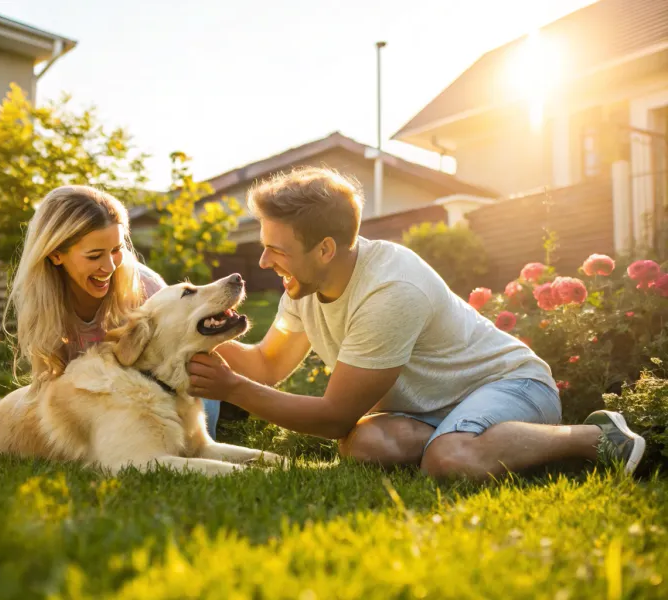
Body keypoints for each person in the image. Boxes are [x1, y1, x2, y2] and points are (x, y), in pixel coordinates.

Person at [187, 167, 645, 479]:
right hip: (429, 408)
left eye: (277, 250)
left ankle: (591, 437)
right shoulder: (302, 284)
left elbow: (334, 417)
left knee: (449, 460)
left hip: (511, 385)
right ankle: (478, 439)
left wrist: (233, 390)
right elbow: (267, 364)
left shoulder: (390, 289)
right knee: (364, 447)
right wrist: (186, 324)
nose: (265, 261)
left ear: (325, 249)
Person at [5, 185, 221, 438]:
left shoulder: (145, 287)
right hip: (105, 417)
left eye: (117, 250)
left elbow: (183, 362)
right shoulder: (43, 303)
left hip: (168, 402)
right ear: (55, 255)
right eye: (95, 255)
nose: (109, 266)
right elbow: (53, 391)